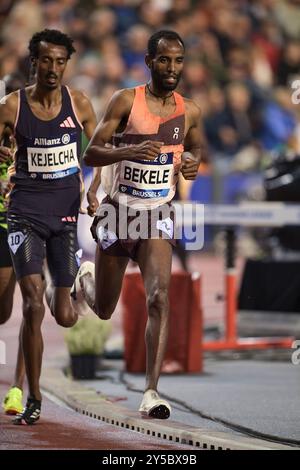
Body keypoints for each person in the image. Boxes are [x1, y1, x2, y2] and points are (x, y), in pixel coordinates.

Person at [76, 30, 205, 419]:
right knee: (102, 309)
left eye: (178, 60)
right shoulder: (125, 101)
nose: (171, 68)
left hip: (157, 213)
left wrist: (191, 164)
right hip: (119, 213)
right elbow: (92, 152)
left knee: (159, 298)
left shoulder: (190, 110)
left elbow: (196, 149)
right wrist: (131, 149)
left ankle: (151, 391)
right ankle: (86, 280)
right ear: (149, 62)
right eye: (164, 60)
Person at [0, 29, 97, 424]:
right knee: (31, 303)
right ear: (34, 63)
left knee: (66, 316)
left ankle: (79, 281)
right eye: (46, 61)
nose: (53, 69)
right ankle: (32, 396)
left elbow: (102, 150)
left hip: (65, 215)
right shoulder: (11, 107)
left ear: (66, 65)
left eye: (60, 62)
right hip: (23, 211)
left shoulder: (81, 105)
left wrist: (96, 191)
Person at [0, 73, 27, 415]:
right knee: (3, 311)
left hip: (26, 221)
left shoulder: (37, 131)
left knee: (30, 304)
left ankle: (18, 389)